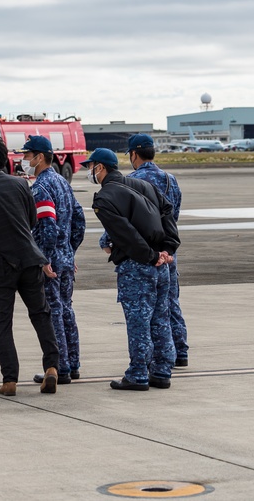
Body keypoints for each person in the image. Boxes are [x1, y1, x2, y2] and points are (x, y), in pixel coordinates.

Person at [0, 136, 60, 397]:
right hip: (29, 259)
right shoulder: (21, 184)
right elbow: (31, 219)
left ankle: (10, 379)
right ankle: (51, 366)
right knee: (41, 314)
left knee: (3, 321)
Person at [85, 148, 179, 391]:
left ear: (101, 168)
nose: (89, 172)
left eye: (91, 166)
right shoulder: (142, 185)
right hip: (162, 264)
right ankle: (161, 371)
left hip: (138, 266)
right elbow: (167, 211)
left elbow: (125, 235)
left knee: (138, 322)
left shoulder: (104, 198)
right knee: (160, 318)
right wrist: (167, 249)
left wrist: (150, 256)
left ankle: (138, 373)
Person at [18, 135, 86, 386]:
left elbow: (46, 226)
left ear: (39, 157)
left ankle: (60, 367)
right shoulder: (62, 182)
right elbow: (79, 220)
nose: (24, 159)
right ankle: (74, 363)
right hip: (65, 258)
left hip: (51, 261)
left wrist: (45, 258)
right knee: (67, 310)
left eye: (27, 155)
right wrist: (70, 250)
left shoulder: (41, 187)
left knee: (53, 312)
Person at [122, 134, 189, 367]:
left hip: (145, 254)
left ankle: (150, 358)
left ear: (133, 154)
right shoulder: (170, 180)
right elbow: (174, 214)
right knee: (170, 302)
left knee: (147, 310)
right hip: (169, 251)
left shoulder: (130, 181)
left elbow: (126, 219)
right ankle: (179, 351)